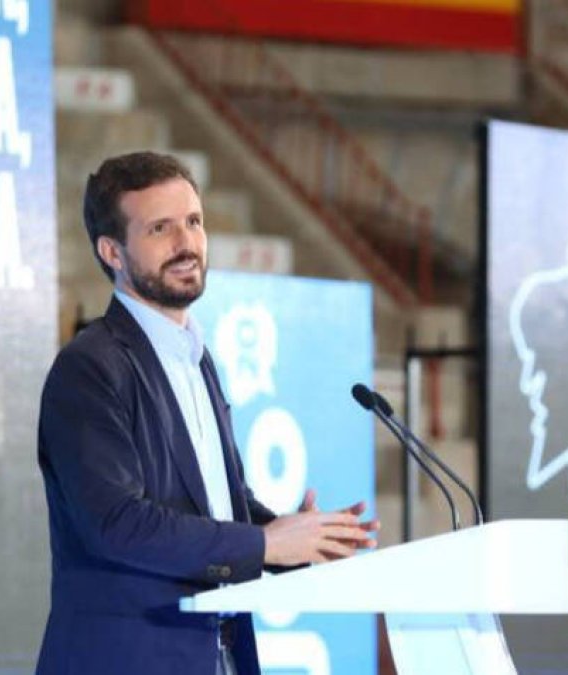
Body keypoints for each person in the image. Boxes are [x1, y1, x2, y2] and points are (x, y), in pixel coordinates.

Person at [36, 151, 378, 675]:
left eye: (194, 222)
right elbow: (118, 524)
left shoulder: (197, 357)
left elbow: (213, 501)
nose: (186, 243)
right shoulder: (89, 369)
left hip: (219, 654)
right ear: (113, 252)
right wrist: (265, 543)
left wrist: (293, 534)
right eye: (160, 228)